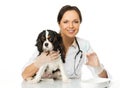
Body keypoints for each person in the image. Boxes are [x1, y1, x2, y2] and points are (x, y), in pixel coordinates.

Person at [22, 5, 109, 80]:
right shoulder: (48, 43)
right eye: (66, 22)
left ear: (80, 23)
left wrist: (98, 67)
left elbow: (105, 80)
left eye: (75, 22)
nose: (71, 26)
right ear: (59, 23)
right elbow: (24, 75)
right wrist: (39, 62)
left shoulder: (84, 45)